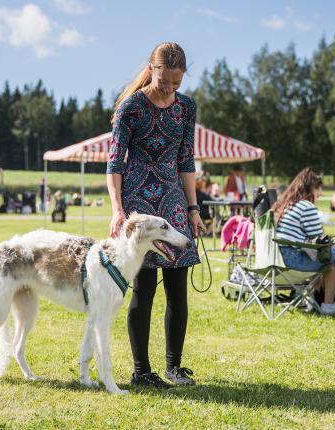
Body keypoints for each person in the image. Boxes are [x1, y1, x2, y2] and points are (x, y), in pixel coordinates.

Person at [106, 41, 204, 389]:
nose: (170, 90)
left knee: (178, 290)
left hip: (175, 202)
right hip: (139, 204)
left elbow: (186, 161)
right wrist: (118, 209)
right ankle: (141, 371)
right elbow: (115, 163)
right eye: (164, 82)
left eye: (176, 84)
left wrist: (193, 208)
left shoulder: (186, 108)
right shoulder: (130, 107)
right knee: (143, 289)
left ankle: (174, 368)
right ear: (152, 69)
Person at [271, 167, 335, 316]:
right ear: (312, 189)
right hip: (291, 262)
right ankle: (328, 305)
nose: (319, 196)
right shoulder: (306, 206)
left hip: (273, 261)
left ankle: (312, 298)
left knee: (327, 254)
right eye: (318, 193)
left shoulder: (284, 204)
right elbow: (321, 244)